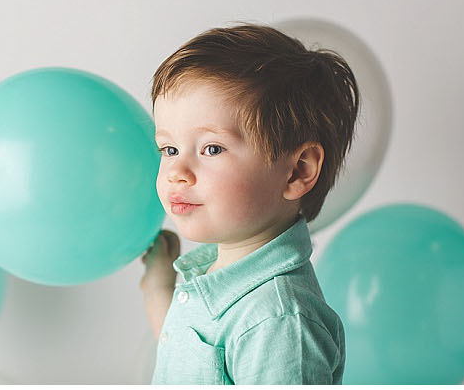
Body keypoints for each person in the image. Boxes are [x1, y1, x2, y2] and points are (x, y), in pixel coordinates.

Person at [141, 24, 359, 385]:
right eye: (169, 149)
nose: (176, 172)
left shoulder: (279, 322)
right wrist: (158, 287)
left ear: (296, 172)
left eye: (212, 149)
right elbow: (190, 360)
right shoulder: (221, 279)